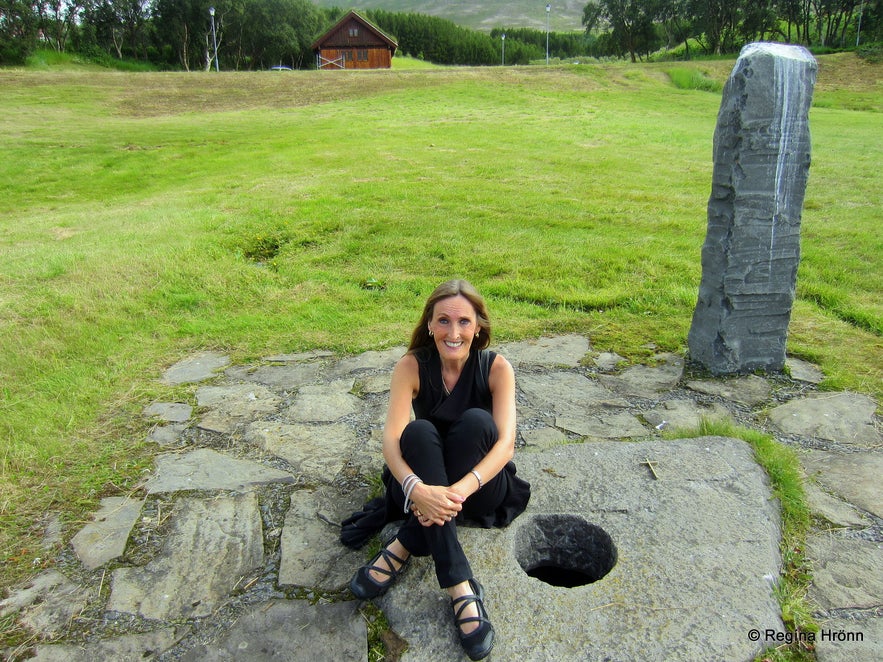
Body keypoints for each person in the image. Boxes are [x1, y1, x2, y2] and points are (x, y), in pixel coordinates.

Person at [348, 279, 530, 661]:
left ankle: (401, 545)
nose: (453, 332)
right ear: (429, 324)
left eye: (463, 322)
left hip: (479, 488)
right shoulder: (411, 366)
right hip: (422, 481)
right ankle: (460, 585)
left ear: (478, 326)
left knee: (481, 424)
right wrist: (418, 490)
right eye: (443, 321)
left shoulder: (497, 368)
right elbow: (391, 442)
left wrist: (451, 495)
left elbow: (505, 446)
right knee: (417, 431)